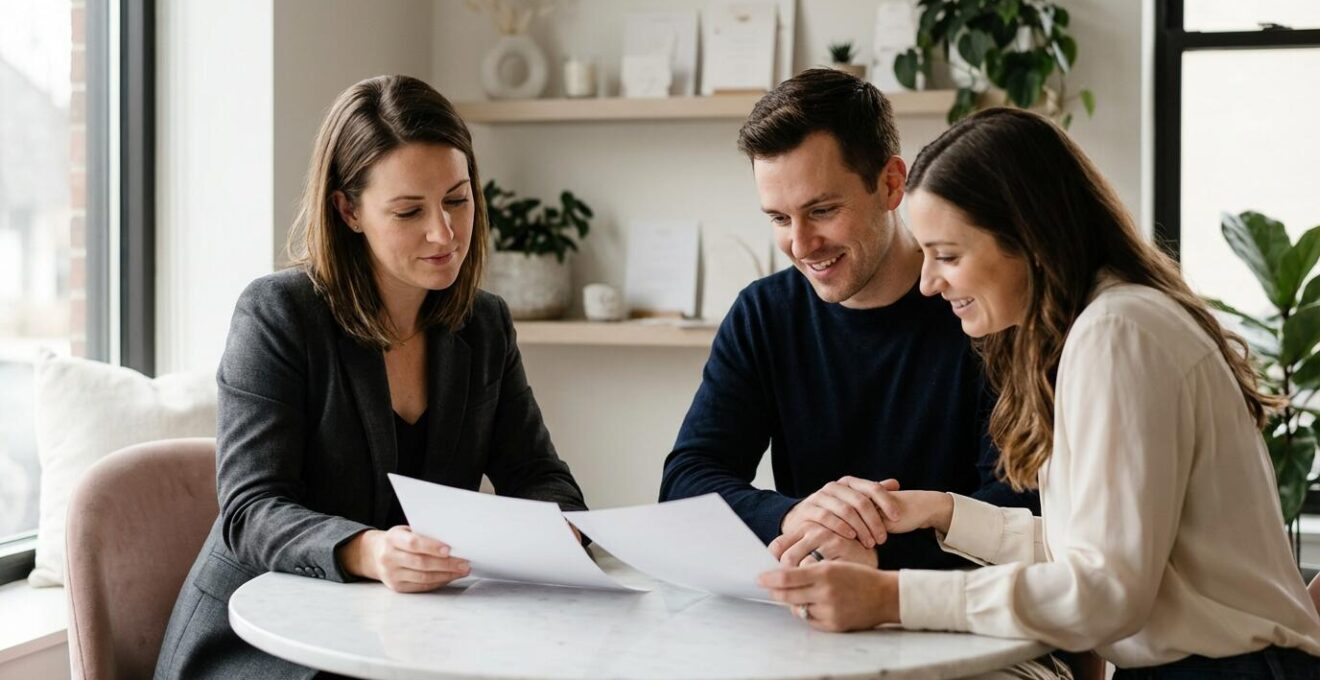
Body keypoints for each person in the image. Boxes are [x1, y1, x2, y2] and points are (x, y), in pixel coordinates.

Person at [758, 107, 1320, 678]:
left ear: (1028, 239)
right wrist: (939, 511)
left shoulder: (1117, 332)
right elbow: (1089, 550)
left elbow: (1104, 591)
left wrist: (889, 597)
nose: (928, 282)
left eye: (948, 256)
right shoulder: (1107, 325)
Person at [154, 75, 588, 680]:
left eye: (458, 200)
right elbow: (251, 510)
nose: (444, 233)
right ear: (348, 210)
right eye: (409, 210)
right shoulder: (278, 314)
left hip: (408, 638)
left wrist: (545, 532)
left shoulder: (483, 323)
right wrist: (371, 550)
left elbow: (541, 478)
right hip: (263, 647)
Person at [659, 68, 1037, 571]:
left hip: (962, 617)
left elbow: (1023, 508)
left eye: (822, 211)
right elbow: (686, 483)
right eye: (778, 218)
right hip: (817, 615)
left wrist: (872, 555)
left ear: (891, 184)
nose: (799, 243)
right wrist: (796, 517)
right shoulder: (763, 314)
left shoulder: (983, 310)